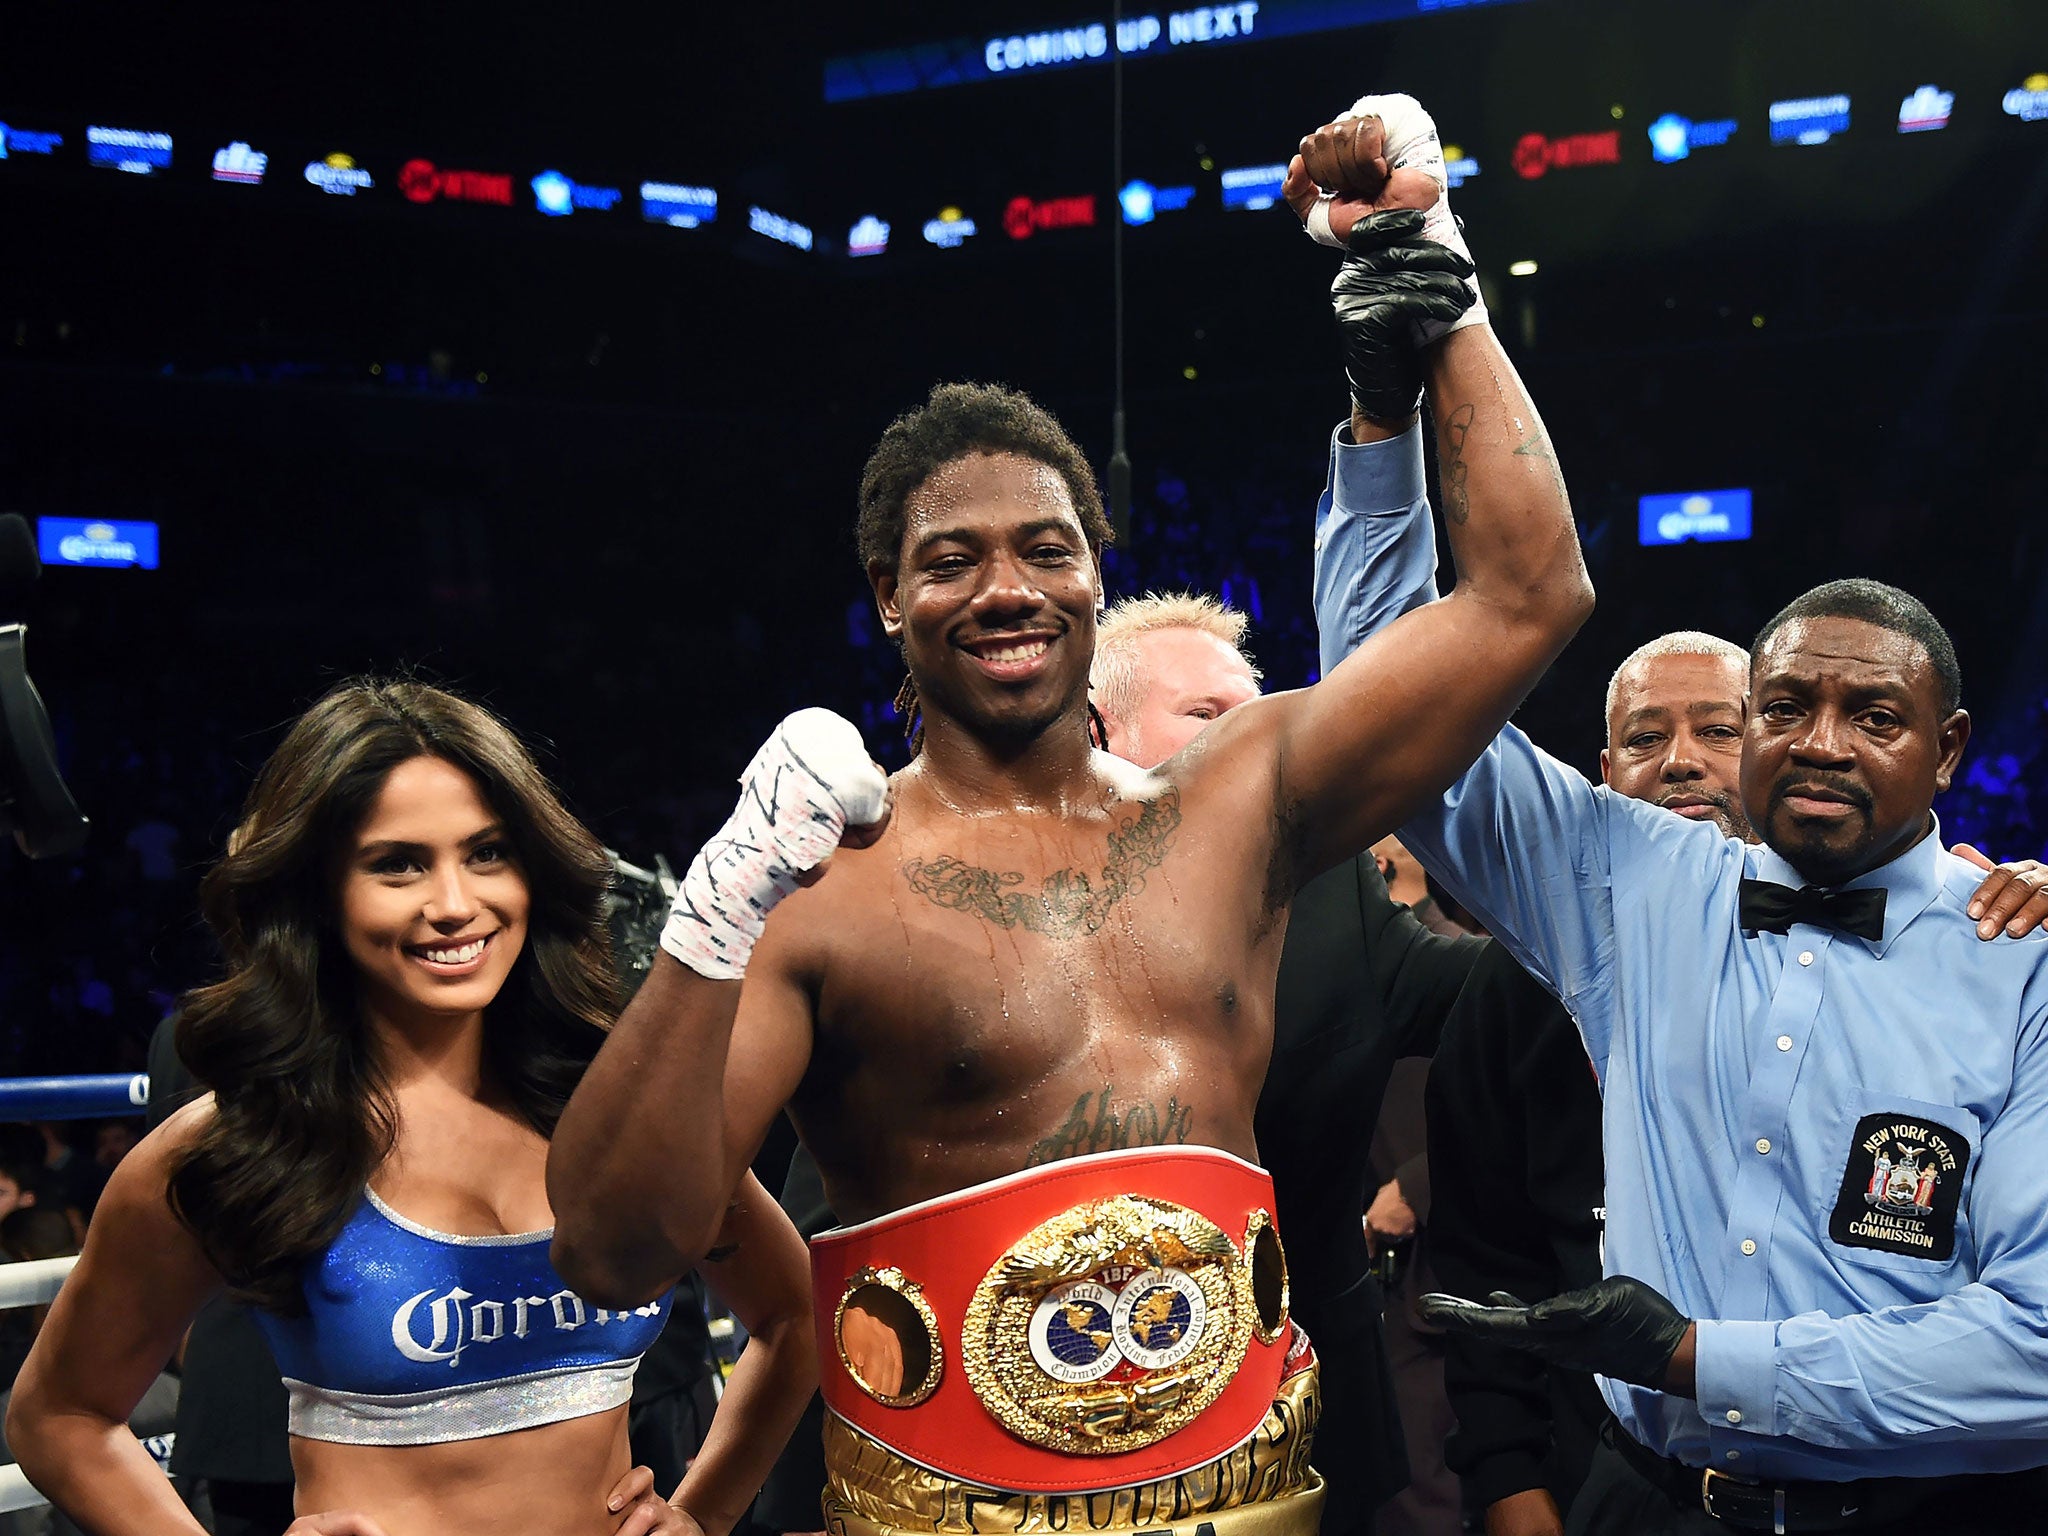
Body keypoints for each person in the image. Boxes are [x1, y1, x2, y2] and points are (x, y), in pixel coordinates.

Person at [550, 133, 1590, 1535]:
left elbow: (1530, 595)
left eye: (1046, 549)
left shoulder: (1245, 800)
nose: (1006, 589)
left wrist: (1433, 280)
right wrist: (720, 907)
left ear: (1099, 575)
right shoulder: (824, 895)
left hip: (1256, 1498)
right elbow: (617, 1249)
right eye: (951, 558)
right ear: (888, 597)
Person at [6, 680, 816, 1536]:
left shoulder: (625, 1114)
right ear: (318, 891)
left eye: (489, 853)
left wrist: (704, 1514)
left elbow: (795, 1314)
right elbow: (59, 1416)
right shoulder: (241, 1142)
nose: (455, 904)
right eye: (398, 863)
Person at [1427, 632, 1754, 1536]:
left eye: (1718, 732)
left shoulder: (1865, 949)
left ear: (1769, 748)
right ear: (1603, 775)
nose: (1682, 761)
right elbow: (1482, 1255)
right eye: (1647, 740)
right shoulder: (1511, 986)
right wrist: (1508, 1483)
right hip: (1604, 1471)